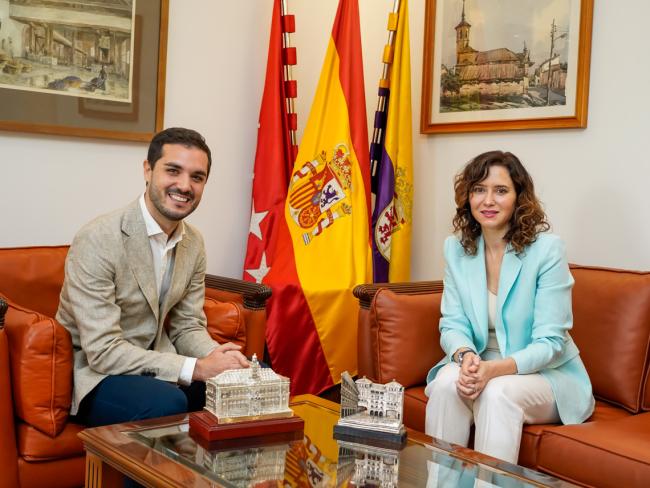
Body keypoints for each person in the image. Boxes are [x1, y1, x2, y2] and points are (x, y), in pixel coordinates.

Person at [57, 127, 249, 427]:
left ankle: (215, 475)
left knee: (243, 380)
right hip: (95, 374)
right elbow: (103, 351)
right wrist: (196, 368)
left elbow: (187, 326)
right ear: (147, 170)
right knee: (167, 401)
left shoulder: (193, 242)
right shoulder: (98, 238)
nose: (185, 185)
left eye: (197, 177)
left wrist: (220, 359)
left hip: (159, 363)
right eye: (173, 170)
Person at [425, 150, 594, 464]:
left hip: (546, 374)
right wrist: (466, 356)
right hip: (479, 363)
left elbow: (551, 344)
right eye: (479, 190)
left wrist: (493, 371)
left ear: (519, 198)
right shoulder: (457, 250)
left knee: (497, 392)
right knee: (446, 384)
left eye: (500, 190)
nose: (488, 200)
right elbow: (452, 324)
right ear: (468, 198)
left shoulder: (547, 251)